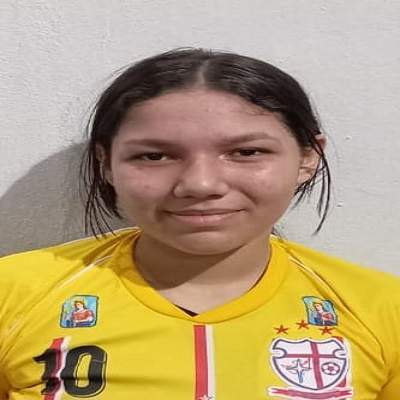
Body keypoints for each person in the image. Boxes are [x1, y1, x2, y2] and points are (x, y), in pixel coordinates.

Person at [0, 48, 398, 400]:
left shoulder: (382, 309)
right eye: (154, 156)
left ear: (308, 158)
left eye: (247, 152)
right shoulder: (13, 294)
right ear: (106, 163)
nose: (200, 185)